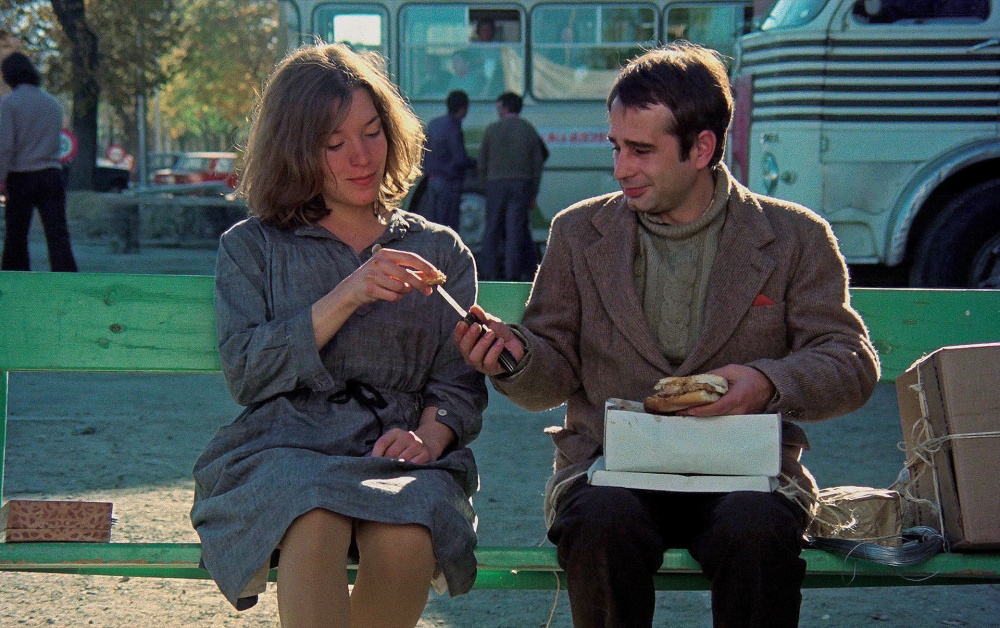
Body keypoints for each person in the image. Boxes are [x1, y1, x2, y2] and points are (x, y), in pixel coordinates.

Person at [454, 43, 880, 627]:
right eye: (616, 147)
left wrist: (765, 382)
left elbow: (850, 361)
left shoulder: (793, 236)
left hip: (746, 474)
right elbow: (550, 371)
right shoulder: (579, 232)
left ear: (701, 148)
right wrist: (514, 358)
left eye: (641, 151)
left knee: (756, 530)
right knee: (600, 524)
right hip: (609, 467)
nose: (620, 168)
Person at [189, 43, 487, 627]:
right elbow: (246, 373)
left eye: (373, 133)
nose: (361, 156)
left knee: (408, 534)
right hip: (286, 447)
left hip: (399, 451)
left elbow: (458, 382)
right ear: (295, 149)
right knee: (312, 522)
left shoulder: (439, 248)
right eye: (334, 143)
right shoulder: (253, 246)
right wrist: (347, 294)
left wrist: (430, 438)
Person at [0, 51, 77, 272]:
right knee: (57, 234)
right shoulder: (52, 104)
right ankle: (66, 277)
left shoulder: (9, 104)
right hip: (51, 174)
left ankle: (16, 277)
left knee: (16, 235)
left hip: (20, 176)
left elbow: (6, 146)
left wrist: (1, 177)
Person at [477, 91, 546, 281]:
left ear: (505, 107)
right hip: (520, 184)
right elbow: (537, 163)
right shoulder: (528, 129)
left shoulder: (492, 129)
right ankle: (512, 274)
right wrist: (533, 192)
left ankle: (488, 273)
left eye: (499, 106)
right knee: (514, 230)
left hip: (495, 184)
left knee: (492, 229)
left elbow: (482, 162)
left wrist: (485, 186)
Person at [423, 90, 475, 233]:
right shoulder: (454, 127)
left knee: (434, 223)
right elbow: (459, 158)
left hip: (432, 180)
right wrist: (474, 164)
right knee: (449, 226)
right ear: (463, 108)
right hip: (449, 182)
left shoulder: (434, 124)